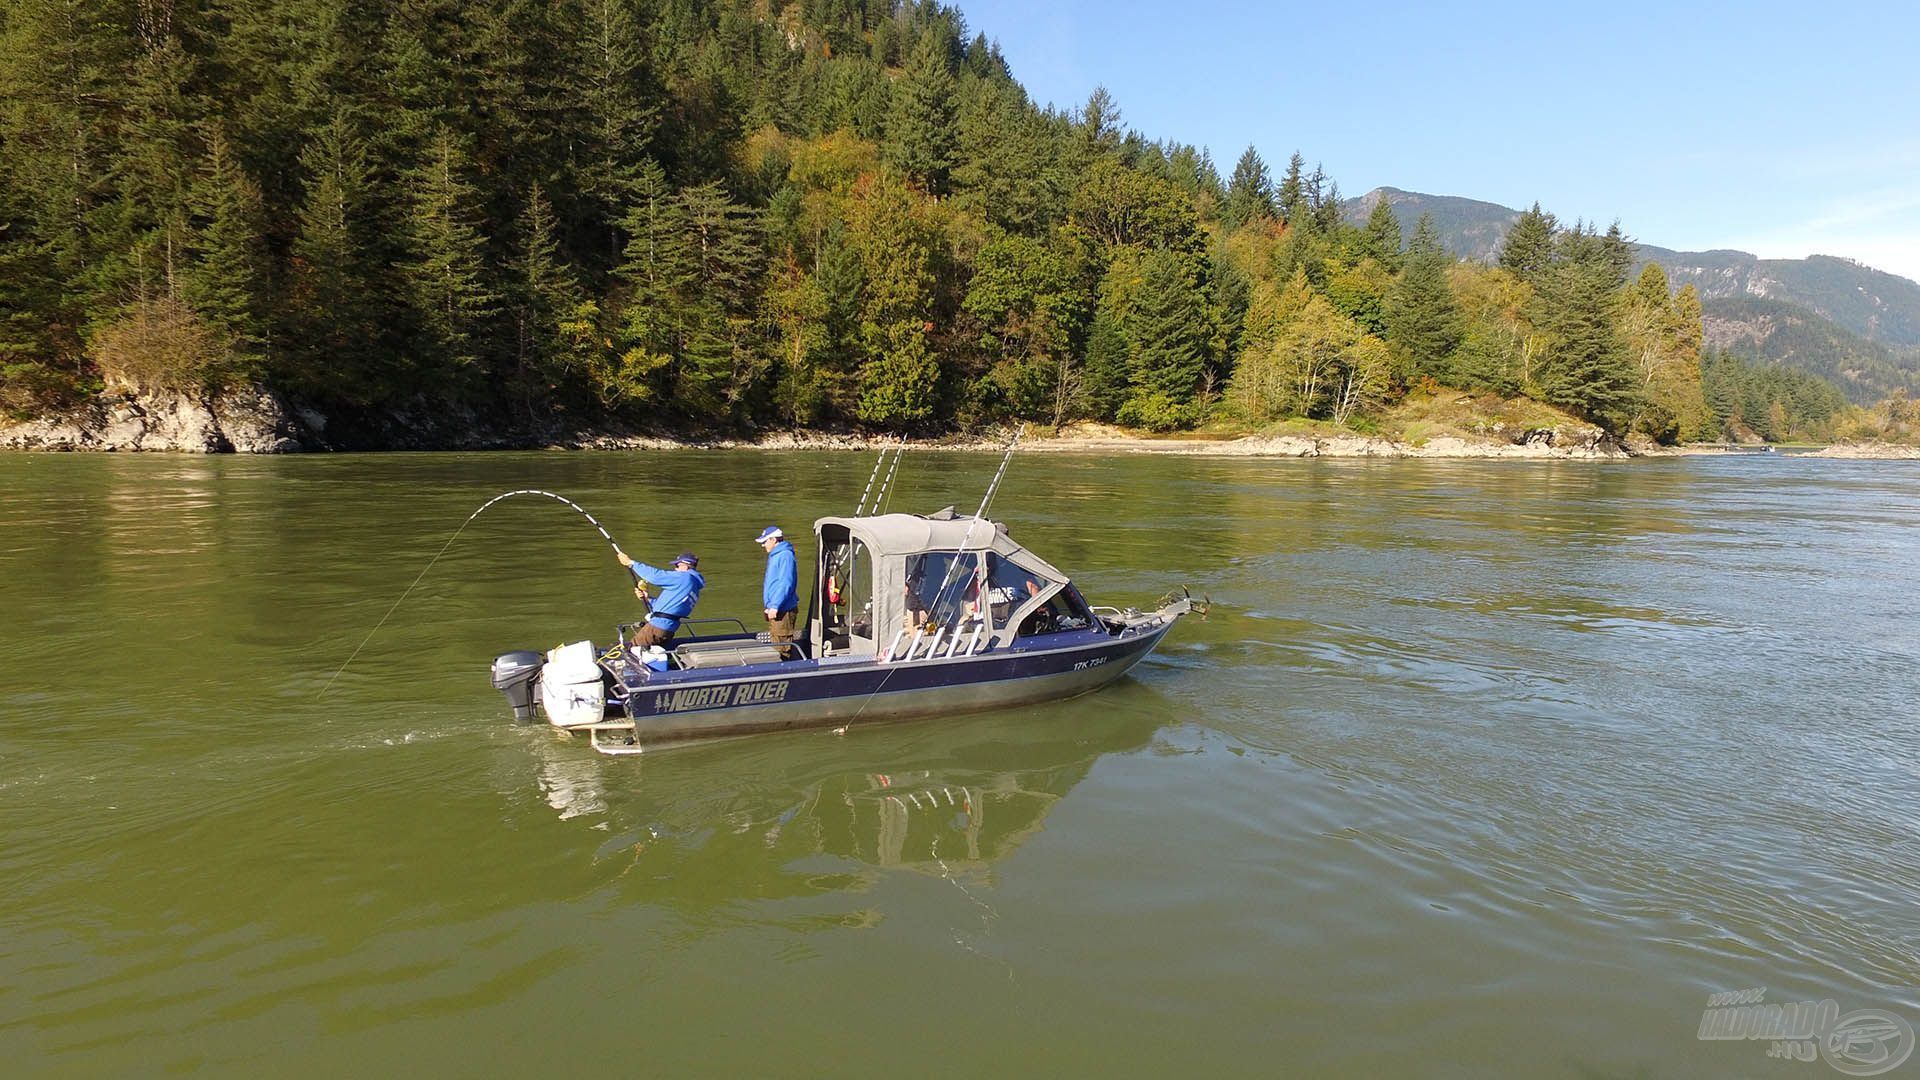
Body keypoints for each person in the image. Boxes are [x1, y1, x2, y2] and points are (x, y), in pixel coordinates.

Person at [615, 549, 704, 650]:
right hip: (667, 628)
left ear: (685, 566)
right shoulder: (693, 585)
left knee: (633, 650)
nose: (675, 569)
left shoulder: (685, 578)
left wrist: (631, 563)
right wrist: (647, 598)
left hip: (658, 626)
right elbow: (670, 608)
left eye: (677, 566)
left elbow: (655, 576)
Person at [755, 525, 799, 657]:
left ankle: (785, 674)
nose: (763, 545)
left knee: (782, 647)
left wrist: (774, 606)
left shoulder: (785, 555)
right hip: (776, 608)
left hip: (783, 609)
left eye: (765, 541)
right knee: (776, 642)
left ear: (774, 540)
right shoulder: (775, 555)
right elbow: (773, 583)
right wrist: (769, 606)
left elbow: (785, 583)